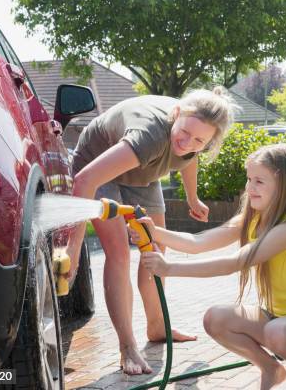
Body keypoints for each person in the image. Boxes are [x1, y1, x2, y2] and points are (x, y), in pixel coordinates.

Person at [64, 87, 238, 375]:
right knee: (119, 253)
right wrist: (74, 247)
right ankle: (127, 346)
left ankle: (157, 326)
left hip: (143, 172)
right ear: (176, 115)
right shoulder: (151, 135)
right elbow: (84, 180)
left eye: (199, 140)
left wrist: (192, 198)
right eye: (184, 132)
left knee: (156, 248)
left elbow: (188, 157)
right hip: (97, 164)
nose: (188, 142)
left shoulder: (193, 136)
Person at [138, 144, 286, 389]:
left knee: (278, 332)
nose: (250, 187)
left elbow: (236, 262)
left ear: (284, 185)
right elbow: (198, 242)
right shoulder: (251, 219)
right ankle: (270, 368)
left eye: (259, 181)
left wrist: (170, 268)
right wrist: (154, 232)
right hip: (276, 318)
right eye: (249, 179)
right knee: (215, 319)